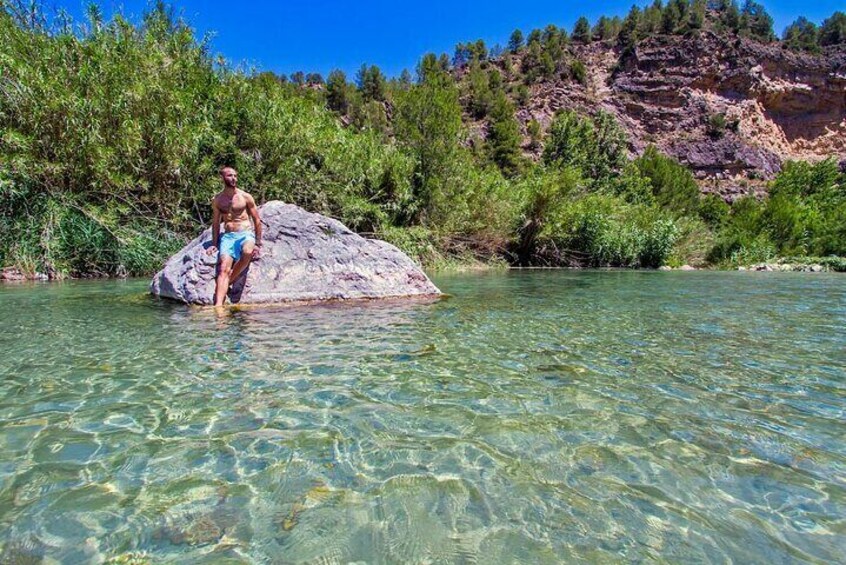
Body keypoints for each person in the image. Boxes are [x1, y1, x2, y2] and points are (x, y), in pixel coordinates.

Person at [205, 166, 263, 306]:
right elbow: (216, 223)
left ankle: (230, 279)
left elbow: (256, 220)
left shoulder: (245, 197)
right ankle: (218, 306)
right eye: (230, 176)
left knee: (248, 252)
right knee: (223, 268)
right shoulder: (218, 200)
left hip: (245, 234)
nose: (233, 179)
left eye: (235, 176)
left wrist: (258, 243)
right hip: (228, 237)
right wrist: (214, 243)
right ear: (222, 178)